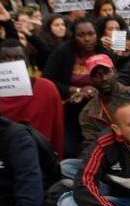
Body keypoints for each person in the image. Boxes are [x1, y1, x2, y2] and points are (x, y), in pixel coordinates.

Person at [43, 18, 110, 159]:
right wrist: (75, 90)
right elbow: (47, 81)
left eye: (91, 34)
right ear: (74, 36)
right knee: (69, 152)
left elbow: (115, 77)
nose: (87, 39)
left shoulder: (103, 51)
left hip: (100, 112)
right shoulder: (63, 52)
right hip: (71, 111)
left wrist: (97, 90)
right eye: (81, 35)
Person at [0, 39, 65, 158]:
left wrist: (56, 160)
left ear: (27, 60)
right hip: (1, 159)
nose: (13, 63)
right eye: (6, 58)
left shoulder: (47, 88)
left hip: (40, 157)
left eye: (18, 58)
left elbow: (57, 128)